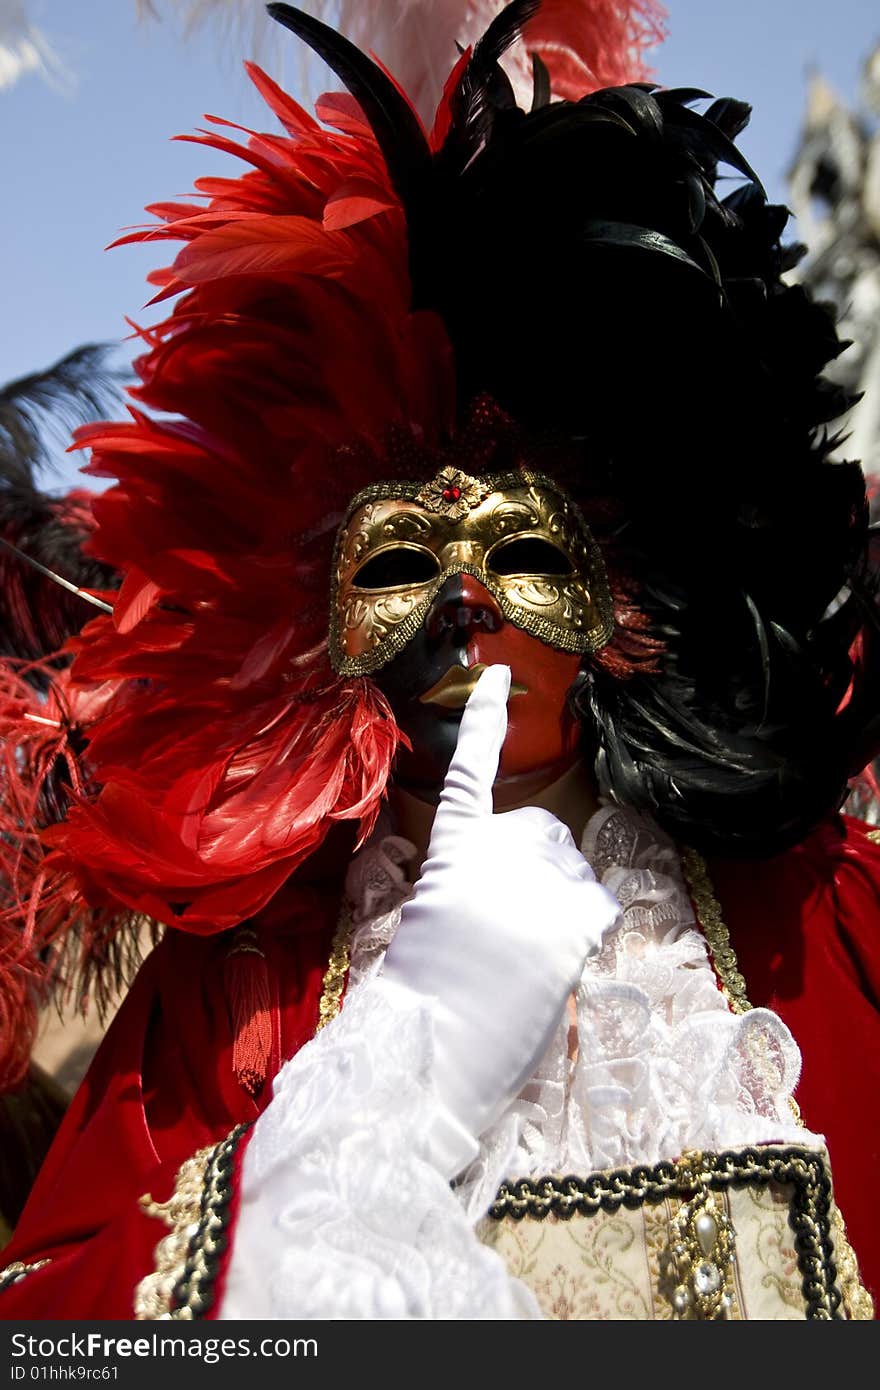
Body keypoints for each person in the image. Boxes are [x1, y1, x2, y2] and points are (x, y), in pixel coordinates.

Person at [1, 0, 878, 1319]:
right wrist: (385, 1099)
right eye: (401, 565)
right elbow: (57, 1318)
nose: (464, 609)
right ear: (317, 623)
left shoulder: (822, 913)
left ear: (623, 588)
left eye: (524, 550)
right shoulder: (243, 984)